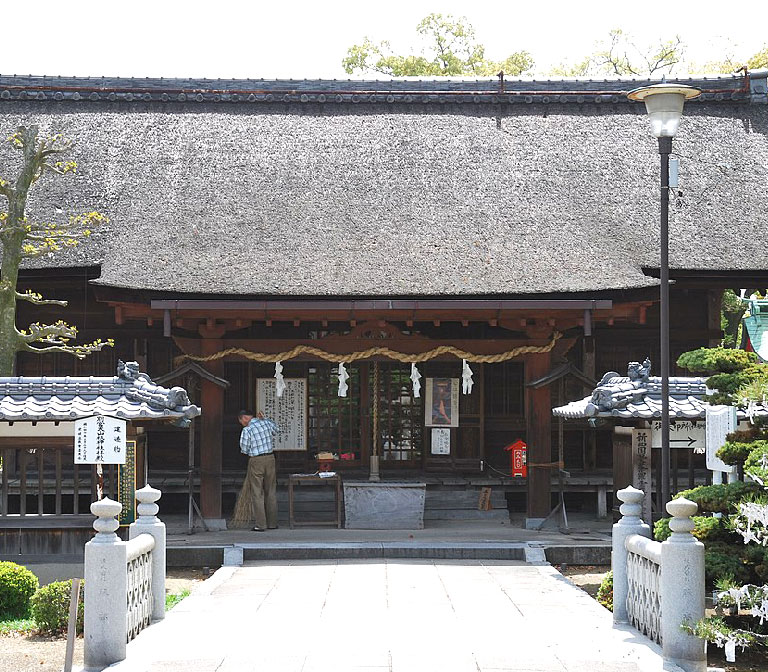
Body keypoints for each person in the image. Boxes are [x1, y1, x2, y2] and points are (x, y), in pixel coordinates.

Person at [231, 410, 279, 531]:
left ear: (244, 418)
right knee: (271, 491)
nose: (242, 423)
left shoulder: (247, 430)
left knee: (257, 493)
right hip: (270, 458)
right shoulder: (266, 423)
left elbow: (244, 448)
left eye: (241, 421)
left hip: (256, 460)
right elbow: (277, 430)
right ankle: (272, 523)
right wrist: (266, 419)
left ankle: (261, 525)